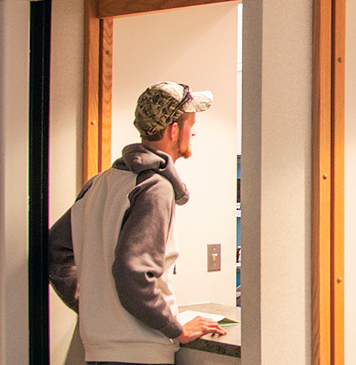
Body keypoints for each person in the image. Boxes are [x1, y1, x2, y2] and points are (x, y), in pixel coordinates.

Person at [48, 81, 227, 364]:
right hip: (139, 352)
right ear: (173, 130)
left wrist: (94, 306)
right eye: (191, 124)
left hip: (98, 351)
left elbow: (55, 252)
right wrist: (176, 328)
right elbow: (134, 273)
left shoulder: (98, 183)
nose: (193, 132)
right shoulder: (156, 187)